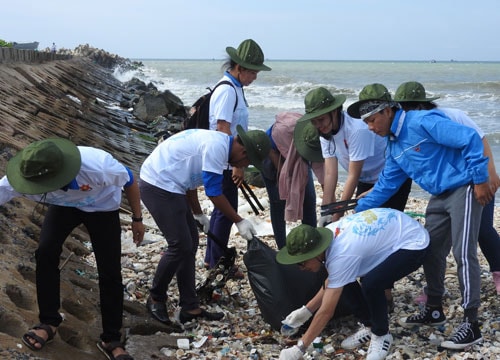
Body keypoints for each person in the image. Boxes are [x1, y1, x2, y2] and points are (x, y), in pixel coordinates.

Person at [348, 83, 492, 350]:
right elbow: (386, 186)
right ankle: (434, 308)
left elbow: (470, 138)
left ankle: (472, 324)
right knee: (430, 250)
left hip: (464, 188)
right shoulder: (392, 146)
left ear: (388, 110)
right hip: (439, 196)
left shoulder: (422, 121)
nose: (370, 127)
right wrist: (353, 215)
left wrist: (482, 179)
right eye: (366, 122)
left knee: (464, 253)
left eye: (372, 120)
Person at [0, 138, 144, 360]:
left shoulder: (101, 167)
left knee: (109, 270)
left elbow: (131, 181)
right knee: (46, 252)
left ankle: (111, 337)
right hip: (65, 206)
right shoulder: (26, 175)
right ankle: (49, 322)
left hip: (102, 209)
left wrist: (137, 218)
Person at [140, 126, 271, 325]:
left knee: (190, 243)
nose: (243, 167)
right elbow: (214, 193)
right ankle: (156, 298)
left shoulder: (221, 146)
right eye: (247, 163)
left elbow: (191, 180)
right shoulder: (216, 148)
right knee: (179, 245)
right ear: (244, 152)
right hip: (158, 183)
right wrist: (239, 220)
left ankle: (189, 306)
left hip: (174, 185)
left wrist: (198, 213)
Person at [277, 208, 429, 360]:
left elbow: (326, 312)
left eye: (302, 263)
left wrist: (300, 347)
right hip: (393, 231)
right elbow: (335, 281)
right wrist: (306, 311)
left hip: (413, 243)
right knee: (345, 282)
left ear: (316, 253)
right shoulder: (325, 238)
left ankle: (381, 334)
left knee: (372, 284)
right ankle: (370, 325)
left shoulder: (342, 253)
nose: (301, 269)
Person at [394, 81, 500, 296]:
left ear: (423, 104)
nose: (409, 112)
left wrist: (490, 174)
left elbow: (479, 139)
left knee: (483, 229)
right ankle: (435, 289)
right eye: (405, 108)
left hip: (476, 177)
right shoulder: (411, 127)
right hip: (450, 187)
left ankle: (498, 272)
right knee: (437, 242)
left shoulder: (450, 115)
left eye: (412, 107)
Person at [297, 87, 412, 226]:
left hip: (390, 178)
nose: (318, 125)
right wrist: (326, 211)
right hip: (365, 180)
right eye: (314, 122)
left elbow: (353, 175)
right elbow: (329, 173)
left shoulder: (356, 129)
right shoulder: (324, 132)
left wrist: (337, 216)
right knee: (363, 223)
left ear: (334, 111)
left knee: (385, 226)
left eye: (321, 119)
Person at [205, 39, 271, 275]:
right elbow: (223, 128)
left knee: (222, 210)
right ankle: (217, 262)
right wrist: (236, 164)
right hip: (225, 159)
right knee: (226, 209)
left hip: (228, 158)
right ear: (239, 68)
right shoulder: (226, 90)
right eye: (252, 72)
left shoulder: (236, 88)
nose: (255, 77)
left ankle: (212, 258)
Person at [260, 111, 324, 249]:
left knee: (309, 199)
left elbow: (322, 171)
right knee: (278, 201)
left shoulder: (317, 136)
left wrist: (329, 206)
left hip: (296, 154)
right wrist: (284, 180)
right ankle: (282, 246)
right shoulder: (283, 131)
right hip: (271, 154)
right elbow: (274, 156)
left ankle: (310, 242)